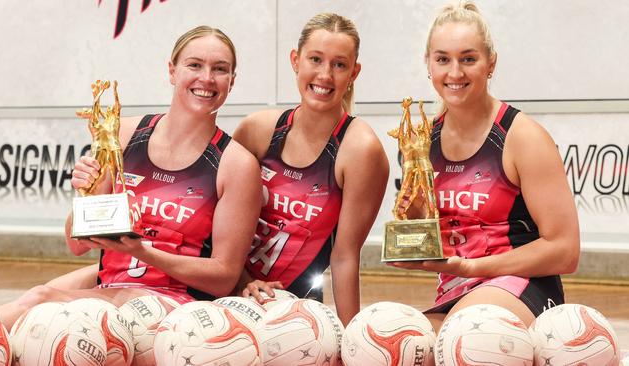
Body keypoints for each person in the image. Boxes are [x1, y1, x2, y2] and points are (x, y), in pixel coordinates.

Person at [0, 25, 262, 329]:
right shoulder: (122, 133)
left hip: (177, 307)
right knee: (33, 301)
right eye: (194, 65)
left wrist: (143, 251)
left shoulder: (236, 164)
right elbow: (76, 243)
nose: (207, 78)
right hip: (112, 287)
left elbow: (223, 278)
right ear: (172, 71)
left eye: (220, 69)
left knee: (44, 312)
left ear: (232, 81)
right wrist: (87, 195)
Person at [389, 1, 580, 330]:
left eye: (468, 59)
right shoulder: (420, 144)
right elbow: (425, 238)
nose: (455, 73)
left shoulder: (522, 137)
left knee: (470, 333)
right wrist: (411, 248)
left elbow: (565, 250)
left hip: (522, 286)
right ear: (428, 64)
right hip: (458, 292)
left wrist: (470, 267)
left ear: (490, 63)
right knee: (386, 340)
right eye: (443, 59)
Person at [235, 13, 389, 326]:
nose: (325, 75)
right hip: (232, 290)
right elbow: (215, 228)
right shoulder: (257, 130)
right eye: (315, 59)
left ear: (354, 72)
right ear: (295, 60)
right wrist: (242, 282)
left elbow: (345, 256)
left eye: (339, 64)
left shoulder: (360, 149)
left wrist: (351, 340)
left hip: (296, 310)